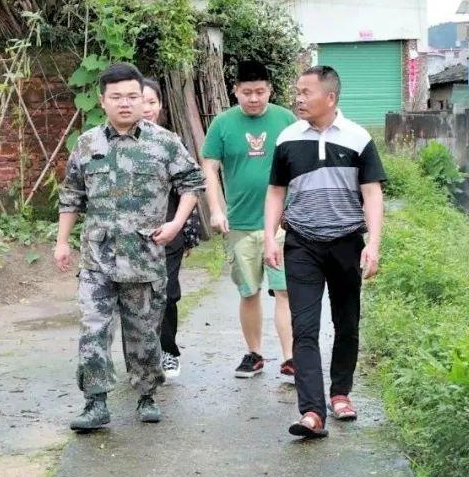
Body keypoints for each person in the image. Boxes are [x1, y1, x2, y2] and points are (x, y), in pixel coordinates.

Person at [55, 63, 205, 431]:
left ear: (143, 99)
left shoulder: (164, 142)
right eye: (116, 97)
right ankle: (95, 403)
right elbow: (71, 195)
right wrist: (61, 242)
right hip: (98, 258)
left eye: (132, 97)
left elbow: (192, 183)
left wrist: (176, 223)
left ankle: (146, 395)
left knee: (142, 332)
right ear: (102, 101)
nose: (125, 104)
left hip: (145, 255)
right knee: (93, 328)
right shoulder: (88, 143)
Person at [264, 66, 386, 439]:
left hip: (347, 240)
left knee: (347, 322)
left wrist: (374, 244)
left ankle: (340, 394)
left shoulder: (358, 138)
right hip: (301, 241)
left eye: (306, 92)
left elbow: (372, 194)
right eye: (297, 91)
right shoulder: (287, 138)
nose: (298, 98)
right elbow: (275, 192)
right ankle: (312, 412)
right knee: (305, 328)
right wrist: (270, 236)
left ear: (330, 97)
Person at [201, 60, 296, 380]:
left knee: (284, 291)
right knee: (249, 291)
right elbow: (210, 169)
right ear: (235, 91)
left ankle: (291, 358)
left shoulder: (286, 119)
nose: (254, 98)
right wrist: (216, 208)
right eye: (246, 92)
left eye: (260, 92)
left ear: (270, 90)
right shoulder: (223, 124)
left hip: (282, 224)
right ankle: (255, 354)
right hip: (240, 222)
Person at [142, 78, 201, 379]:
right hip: (131, 238)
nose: (147, 108)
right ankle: (142, 356)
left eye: (152, 102)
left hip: (168, 233)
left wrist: (185, 231)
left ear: (160, 105)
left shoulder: (171, 142)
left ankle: (168, 351)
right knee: (136, 297)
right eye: (142, 101)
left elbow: (189, 189)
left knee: (166, 293)